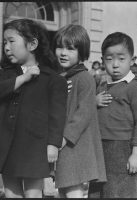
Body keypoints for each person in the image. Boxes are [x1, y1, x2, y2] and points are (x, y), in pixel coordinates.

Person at [0, 19, 67, 198]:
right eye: (4, 42)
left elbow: (57, 115)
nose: (6, 47)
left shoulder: (53, 79)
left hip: (34, 146)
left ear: (32, 44)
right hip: (7, 145)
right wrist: (23, 78)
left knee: (33, 194)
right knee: (11, 194)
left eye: (11, 41)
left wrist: (53, 144)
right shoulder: (5, 75)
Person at [52, 24, 107, 198]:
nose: (63, 52)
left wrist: (65, 137)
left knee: (72, 189)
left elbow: (84, 112)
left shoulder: (84, 78)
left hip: (74, 143)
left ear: (81, 52)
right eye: (60, 47)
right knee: (63, 189)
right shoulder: (62, 77)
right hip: (64, 142)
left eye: (70, 48)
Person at [97, 32, 137, 198]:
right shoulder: (101, 87)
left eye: (121, 58)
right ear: (103, 60)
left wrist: (135, 154)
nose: (115, 64)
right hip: (100, 147)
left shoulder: (135, 88)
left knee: (120, 192)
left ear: (132, 61)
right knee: (98, 193)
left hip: (123, 149)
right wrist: (94, 101)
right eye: (109, 59)